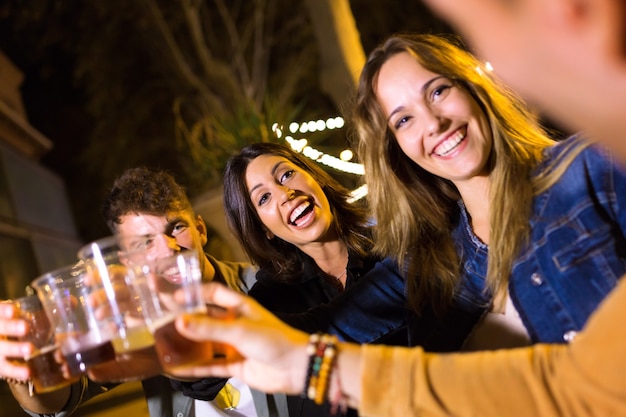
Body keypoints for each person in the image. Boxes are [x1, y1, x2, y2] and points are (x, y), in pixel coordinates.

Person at [168, 1, 626, 416]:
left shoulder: (590, 172)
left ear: (475, 87)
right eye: (404, 119)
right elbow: (326, 329)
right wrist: (195, 335)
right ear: (398, 148)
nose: (433, 122)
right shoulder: (430, 258)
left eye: (439, 91)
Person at [6, 167, 290, 417]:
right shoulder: (133, 320)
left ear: (200, 229)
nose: (168, 250)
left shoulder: (267, 286)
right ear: (127, 260)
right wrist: (19, 363)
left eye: (177, 228)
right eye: (145, 243)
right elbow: (59, 401)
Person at [219, 142, 406, 417]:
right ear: (263, 229)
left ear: (313, 176)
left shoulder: (395, 243)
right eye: (264, 198)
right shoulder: (271, 300)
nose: (285, 194)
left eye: (285, 175)